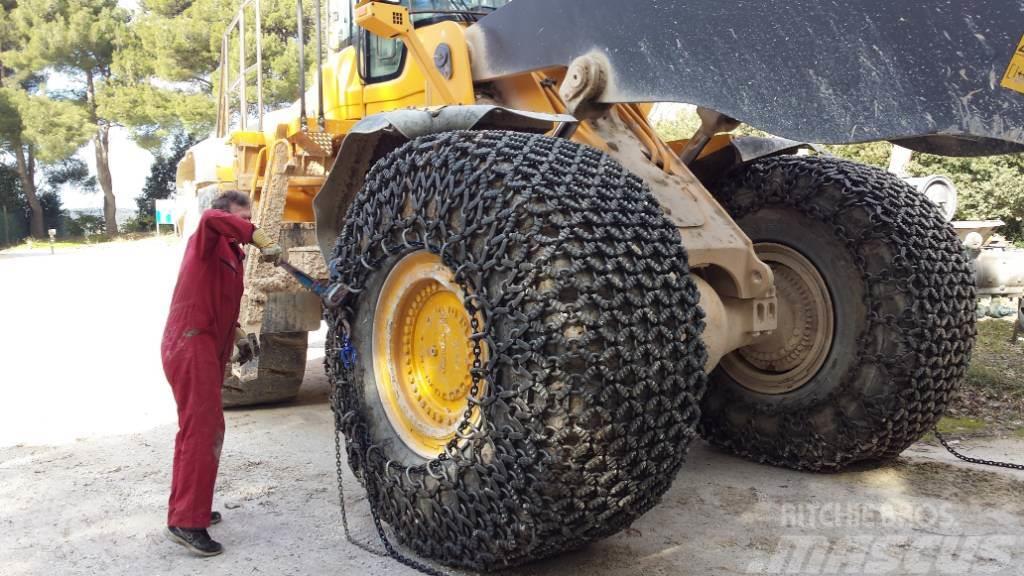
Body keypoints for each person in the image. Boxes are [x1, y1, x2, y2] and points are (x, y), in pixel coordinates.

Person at [161, 191, 282, 556]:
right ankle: (188, 521)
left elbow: (217, 300)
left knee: (195, 430)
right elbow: (212, 220)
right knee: (204, 429)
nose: (246, 225)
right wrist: (259, 236)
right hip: (190, 342)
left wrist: (241, 335)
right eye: (241, 219)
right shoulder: (208, 237)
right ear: (226, 218)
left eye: (249, 218)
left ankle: (185, 511)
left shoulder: (232, 255)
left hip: (208, 344)